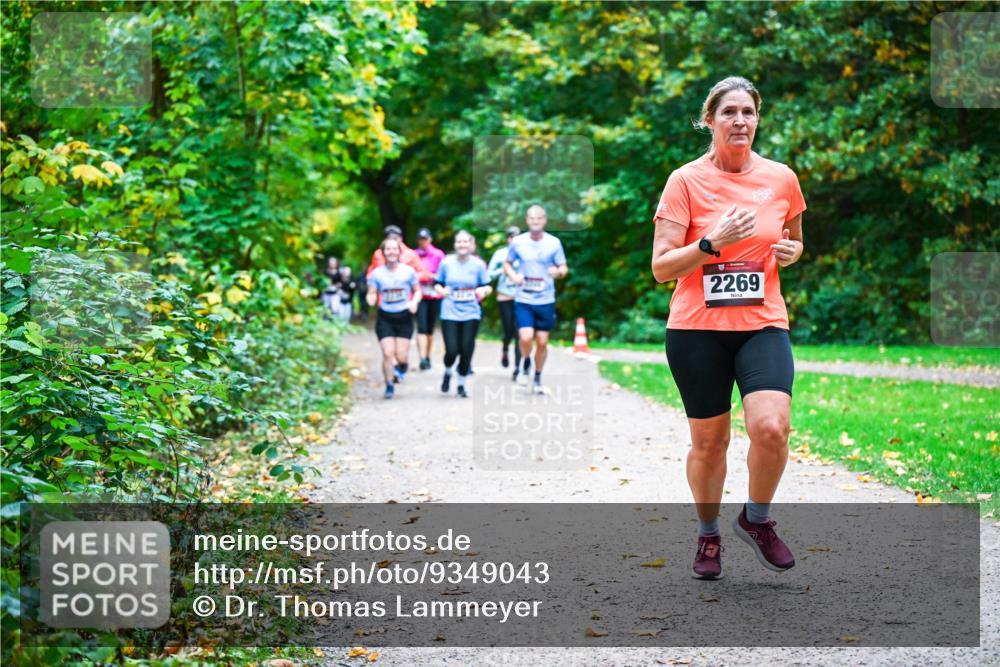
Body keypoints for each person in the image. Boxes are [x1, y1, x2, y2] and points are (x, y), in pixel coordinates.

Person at [650, 76, 806, 580]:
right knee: (710, 443)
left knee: (772, 428)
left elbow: (795, 239)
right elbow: (661, 268)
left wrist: (792, 252)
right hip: (697, 330)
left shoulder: (781, 178)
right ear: (709, 120)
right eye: (729, 112)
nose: (740, 121)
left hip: (762, 323)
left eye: (748, 112)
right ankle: (708, 533)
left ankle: (755, 519)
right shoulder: (684, 181)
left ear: (757, 119)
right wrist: (710, 242)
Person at [503, 205, 568, 394]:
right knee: (525, 337)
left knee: (542, 342)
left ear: (544, 220)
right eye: (532, 218)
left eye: (539, 218)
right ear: (527, 220)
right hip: (524, 298)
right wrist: (514, 276)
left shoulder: (554, 243)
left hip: (545, 299)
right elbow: (507, 264)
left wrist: (558, 272)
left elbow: (563, 267)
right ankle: (525, 362)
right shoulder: (518, 242)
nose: (535, 222)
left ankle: (538, 376)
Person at [435, 230, 491, 398]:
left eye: (465, 242)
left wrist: (483, 291)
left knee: (466, 349)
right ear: (455, 244)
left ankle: (461, 384)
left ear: (470, 244)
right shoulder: (446, 262)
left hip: (471, 312)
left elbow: (487, 285)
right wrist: (441, 291)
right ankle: (447, 371)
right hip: (450, 311)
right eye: (459, 242)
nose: (462, 245)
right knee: (452, 350)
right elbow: (437, 283)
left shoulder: (478, 265)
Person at [367, 238, 422, 399]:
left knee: (401, 356)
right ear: (383, 253)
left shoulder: (408, 271)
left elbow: (418, 291)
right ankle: (389, 384)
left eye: (394, 249)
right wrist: (371, 298)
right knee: (387, 353)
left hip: (404, 317)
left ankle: (402, 365)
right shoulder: (377, 273)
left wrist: (414, 302)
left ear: (399, 251)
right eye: (388, 249)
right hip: (385, 317)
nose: (391, 252)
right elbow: (371, 292)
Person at [487, 226, 523, 369]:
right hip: (505, 295)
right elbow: (488, 275)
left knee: (520, 332)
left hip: (522, 297)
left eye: (517, 237)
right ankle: (505, 348)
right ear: (507, 239)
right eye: (511, 237)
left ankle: (518, 367)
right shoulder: (500, 254)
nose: (514, 240)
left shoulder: (526, 253)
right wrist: (502, 271)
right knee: (508, 330)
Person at [414, 228, 445, 371]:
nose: (423, 242)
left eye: (425, 239)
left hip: (434, 295)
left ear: (430, 239)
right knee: (421, 327)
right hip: (420, 295)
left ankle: (427, 356)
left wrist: (431, 277)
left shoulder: (438, 254)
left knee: (430, 329)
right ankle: (421, 358)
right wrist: (422, 276)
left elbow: (443, 275)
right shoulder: (414, 255)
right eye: (421, 239)